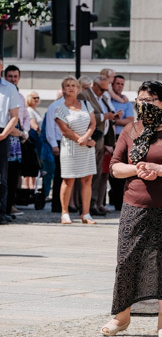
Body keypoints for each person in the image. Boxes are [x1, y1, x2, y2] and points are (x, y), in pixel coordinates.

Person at [101, 80, 162, 337]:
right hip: (135, 205)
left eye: (152, 100)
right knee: (127, 260)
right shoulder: (131, 130)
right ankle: (121, 316)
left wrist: (159, 169)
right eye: (142, 100)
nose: (146, 104)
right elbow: (115, 167)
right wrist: (138, 169)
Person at [54, 76, 97, 225]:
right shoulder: (59, 108)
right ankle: (64, 213)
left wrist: (86, 138)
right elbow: (65, 130)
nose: (71, 87)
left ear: (78, 89)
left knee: (87, 179)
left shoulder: (86, 104)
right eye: (68, 85)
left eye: (74, 85)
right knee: (68, 179)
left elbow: (93, 123)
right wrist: (81, 139)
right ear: (64, 89)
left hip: (86, 147)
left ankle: (86, 213)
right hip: (70, 147)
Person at [78, 75, 118, 216]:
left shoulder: (103, 98)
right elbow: (83, 115)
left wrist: (113, 116)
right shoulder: (84, 95)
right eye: (101, 89)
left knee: (98, 175)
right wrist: (103, 116)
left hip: (101, 140)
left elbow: (105, 114)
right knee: (89, 174)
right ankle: (85, 205)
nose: (103, 91)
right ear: (94, 85)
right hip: (90, 140)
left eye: (106, 89)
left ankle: (93, 203)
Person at [4, 65, 30, 217]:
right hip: (7, 137)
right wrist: (20, 132)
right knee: (4, 176)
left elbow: (25, 116)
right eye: (10, 76)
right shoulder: (4, 93)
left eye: (15, 76)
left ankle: (8, 207)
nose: (13, 79)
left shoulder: (20, 96)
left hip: (17, 143)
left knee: (14, 176)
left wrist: (24, 131)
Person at [108, 75, 134, 211]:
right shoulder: (108, 100)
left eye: (122, 84)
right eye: (117, 83)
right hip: (110, 136)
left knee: (122, 168)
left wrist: (113, 119)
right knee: (110, 170)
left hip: (122, 136)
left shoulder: (126, 102)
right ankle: (113, 197)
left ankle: (120, 201)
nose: (119, 86)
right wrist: (115, 119)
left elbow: (130, 120)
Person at [0, 58, 20, 225]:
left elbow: (14, 116)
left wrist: (4, 134)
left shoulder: (9, 88)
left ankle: (1, 212)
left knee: (1, 176)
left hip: (2, 133)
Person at [46, 89, 64, 213]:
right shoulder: (55, 105)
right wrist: (53, 144)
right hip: (59, 142)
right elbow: (50, 127)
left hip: (74, 142)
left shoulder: (79, 104)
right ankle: (57, 205)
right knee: (59, 175)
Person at [25, 91, 43, 189]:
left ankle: (33, 186)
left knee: (36, 163)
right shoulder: (29, 110)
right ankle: (29, 187)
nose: (36, 99)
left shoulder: (36, 111)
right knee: (31, 162)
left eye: (37, 97)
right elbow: (33, 124)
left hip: (38, 139)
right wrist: (38, 130)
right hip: (32, 138)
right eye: (34, 98)